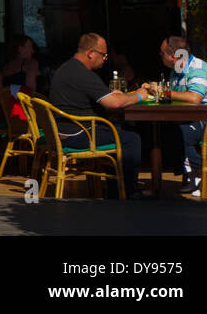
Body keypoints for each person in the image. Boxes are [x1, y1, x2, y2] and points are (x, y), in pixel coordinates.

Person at [48, 32, 145, 198]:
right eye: (103, 54)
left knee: (116, 129)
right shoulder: (83, 74)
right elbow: (114, 104)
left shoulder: (67, 68)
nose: (105, 58)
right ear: (91, 53)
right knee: (131, 138)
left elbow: (108, 98)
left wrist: (116, 96)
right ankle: (129, 192)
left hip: (63, 131)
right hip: (77, 134)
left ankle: (116, 190)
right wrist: (139, 95)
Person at [144, 35, 207, 194]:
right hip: (198, 119)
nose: (160, 55)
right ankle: (194, 174)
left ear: (173, 56)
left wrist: (164, 92)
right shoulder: (176, 71)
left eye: (161, 52)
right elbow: (177, 98)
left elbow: (194, 98)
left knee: (180, 133)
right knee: (168, 130)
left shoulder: (197, 69)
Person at [0, 36, 40, 122]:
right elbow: (31, 89)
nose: (33, 51)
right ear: (20, 49)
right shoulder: (31, 64)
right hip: (27, 117)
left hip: (7, 117)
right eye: (30, 47)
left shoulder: (5, 68)